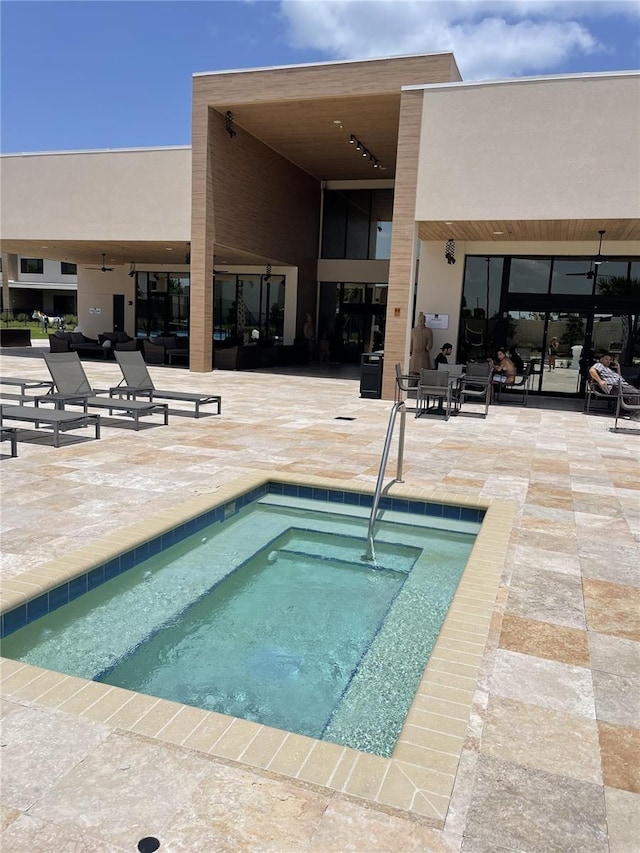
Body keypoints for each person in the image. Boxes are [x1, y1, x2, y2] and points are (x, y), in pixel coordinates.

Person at [589, 352, 640, 418]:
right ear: (601, 360)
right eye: (606, 359)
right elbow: (592, 370)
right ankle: (635, 415)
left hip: (622, 385)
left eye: (610, 360)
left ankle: (632, 411)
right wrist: (600, 381)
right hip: (614, 387)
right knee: (635, 393)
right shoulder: (599, 365)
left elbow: (619, 377)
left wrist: (618, 369)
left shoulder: (609, 369)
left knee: (637, 392)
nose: (608, 361)